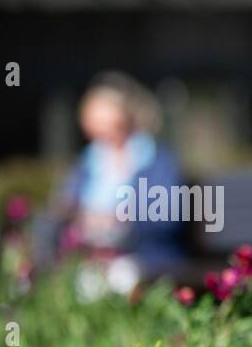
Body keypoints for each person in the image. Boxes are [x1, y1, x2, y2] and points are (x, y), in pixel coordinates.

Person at [58, 72, 189, 283]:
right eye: (95, 128)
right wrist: (84, 220)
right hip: (91, 257)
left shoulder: (156, 160)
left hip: (145, 256)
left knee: (113, 280)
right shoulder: (88, 161)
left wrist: (123, 219)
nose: (103, 138)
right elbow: (65, 207)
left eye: (110, 127)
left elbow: (169, 217)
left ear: (126, 120)